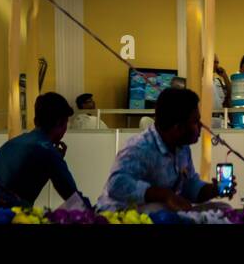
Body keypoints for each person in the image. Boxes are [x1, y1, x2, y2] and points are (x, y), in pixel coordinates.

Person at [97, 87, 235, 212]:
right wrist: (164, 195)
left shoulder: (182, 148)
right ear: (178, 128)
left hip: (162, 212)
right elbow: (116, 184)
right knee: (161, 208)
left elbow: (189, 186)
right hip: (121, 215)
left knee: (223, 209)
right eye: (195, 121)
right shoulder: (140, 147)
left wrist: (214, 190)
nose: (201, 127)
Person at [0, 93, 81, 206]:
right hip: (14, 216)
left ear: (36, 120)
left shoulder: (9, 145)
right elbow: (72, 196)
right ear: (60, 123)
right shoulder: (47, 151)